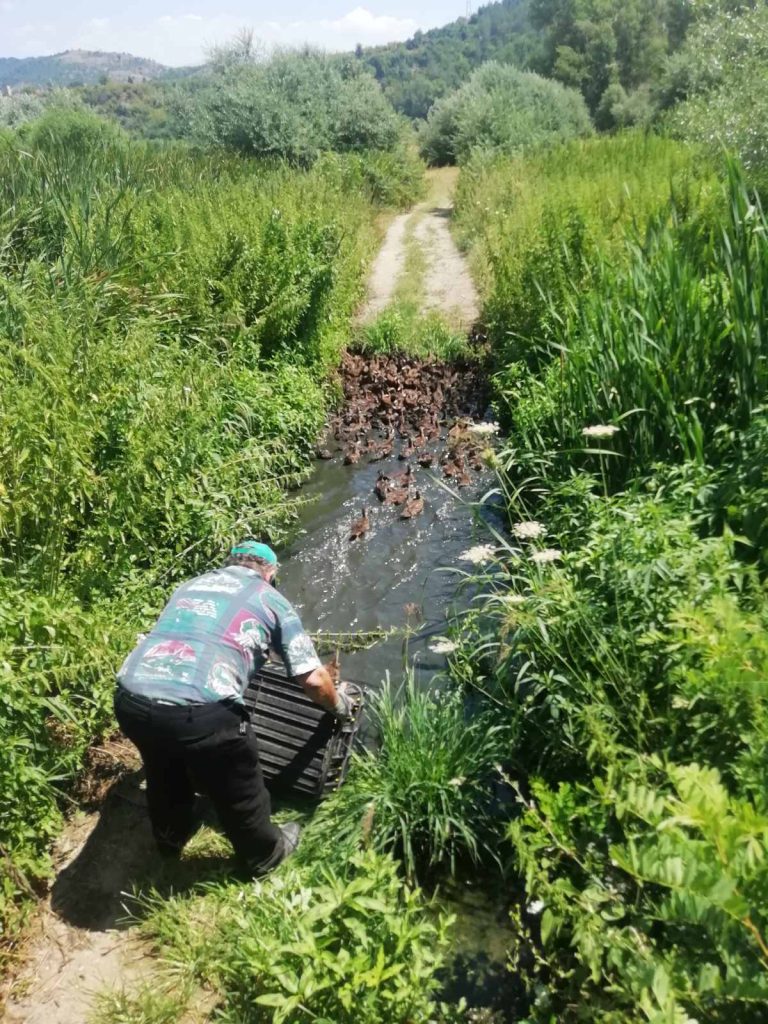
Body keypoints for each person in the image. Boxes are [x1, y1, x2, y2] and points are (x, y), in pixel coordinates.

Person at [114, 540, 351, 876]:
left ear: (230, 564)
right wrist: (339, 706)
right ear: (269, 574)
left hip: (131, 699)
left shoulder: (190, 586)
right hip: (202, 713)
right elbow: (313, 680)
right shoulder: (272, 600)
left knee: (162, 765)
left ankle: (170, 835)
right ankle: (265, 855)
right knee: (240, 782)